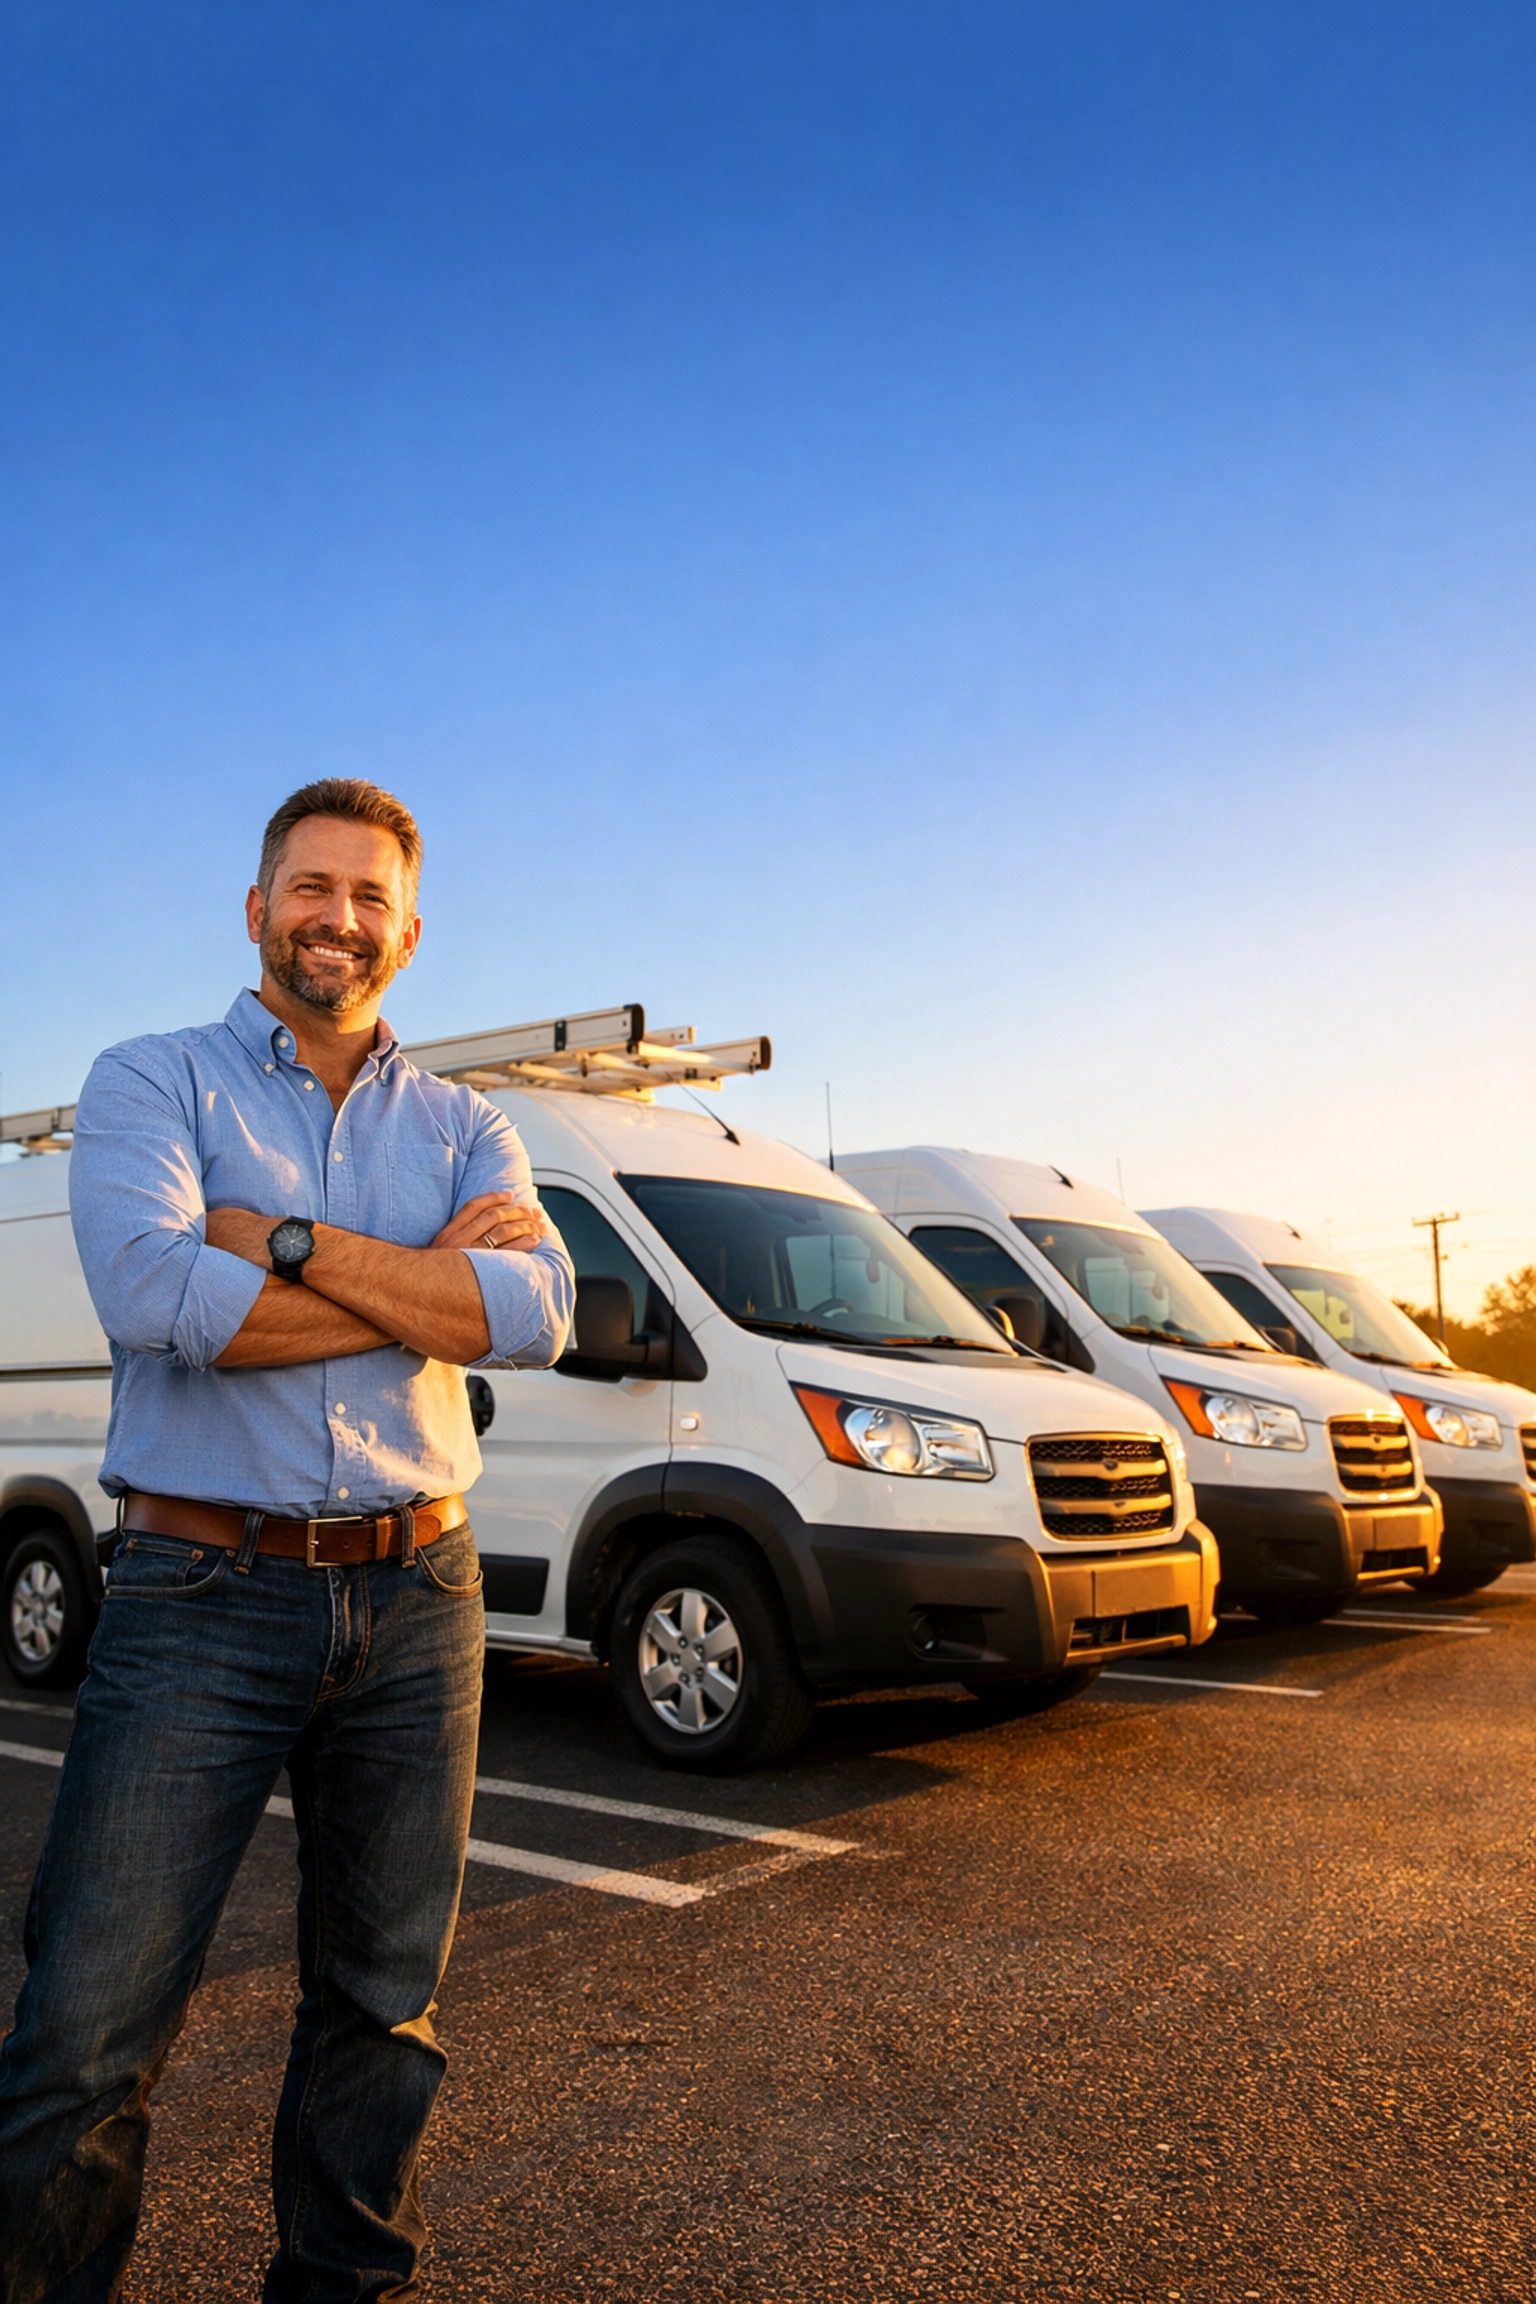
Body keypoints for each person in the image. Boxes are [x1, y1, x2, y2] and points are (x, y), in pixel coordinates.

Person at [0, 778, 575, 2304]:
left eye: (370, 896)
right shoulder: (151, 1081)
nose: (340, 918)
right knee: (88, 2028)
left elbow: (537, 1312)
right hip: (199, 1588)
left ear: (411, 930)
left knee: (383, 2012)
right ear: (257, 910)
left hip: (422, 1593)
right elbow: (156, 1301)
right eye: (312, 889)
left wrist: (289, 1244)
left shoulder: (470, 1122)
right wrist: (414, 1287)